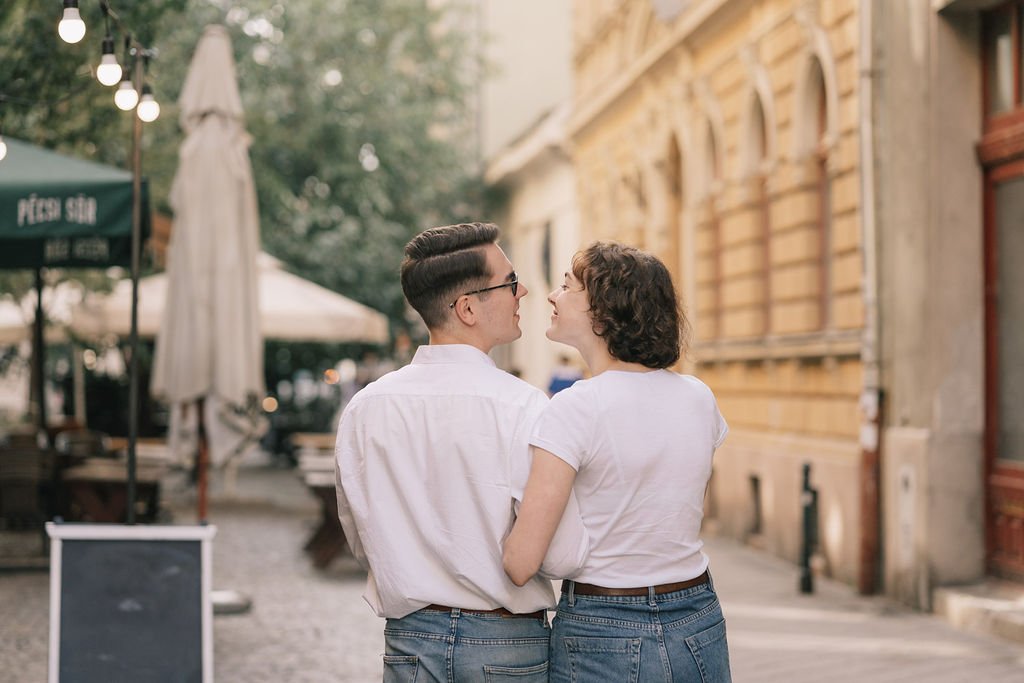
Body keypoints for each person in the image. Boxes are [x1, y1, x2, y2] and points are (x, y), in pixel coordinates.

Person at [335, 222, 589, 682]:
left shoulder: (366, 408)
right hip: (506, 643)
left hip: (411, 641)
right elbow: (560, 555)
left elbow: (359, 535)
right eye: (510, 282)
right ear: (468, 308)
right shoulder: (524, 406)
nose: (524, 291)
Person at [502, 241, 732, 682]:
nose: (551, 295)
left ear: (604, 311)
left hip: (603, 624)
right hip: (697, 614)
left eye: (567, 286)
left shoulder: (575, 407)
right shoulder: (699, 398)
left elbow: (521, 562)